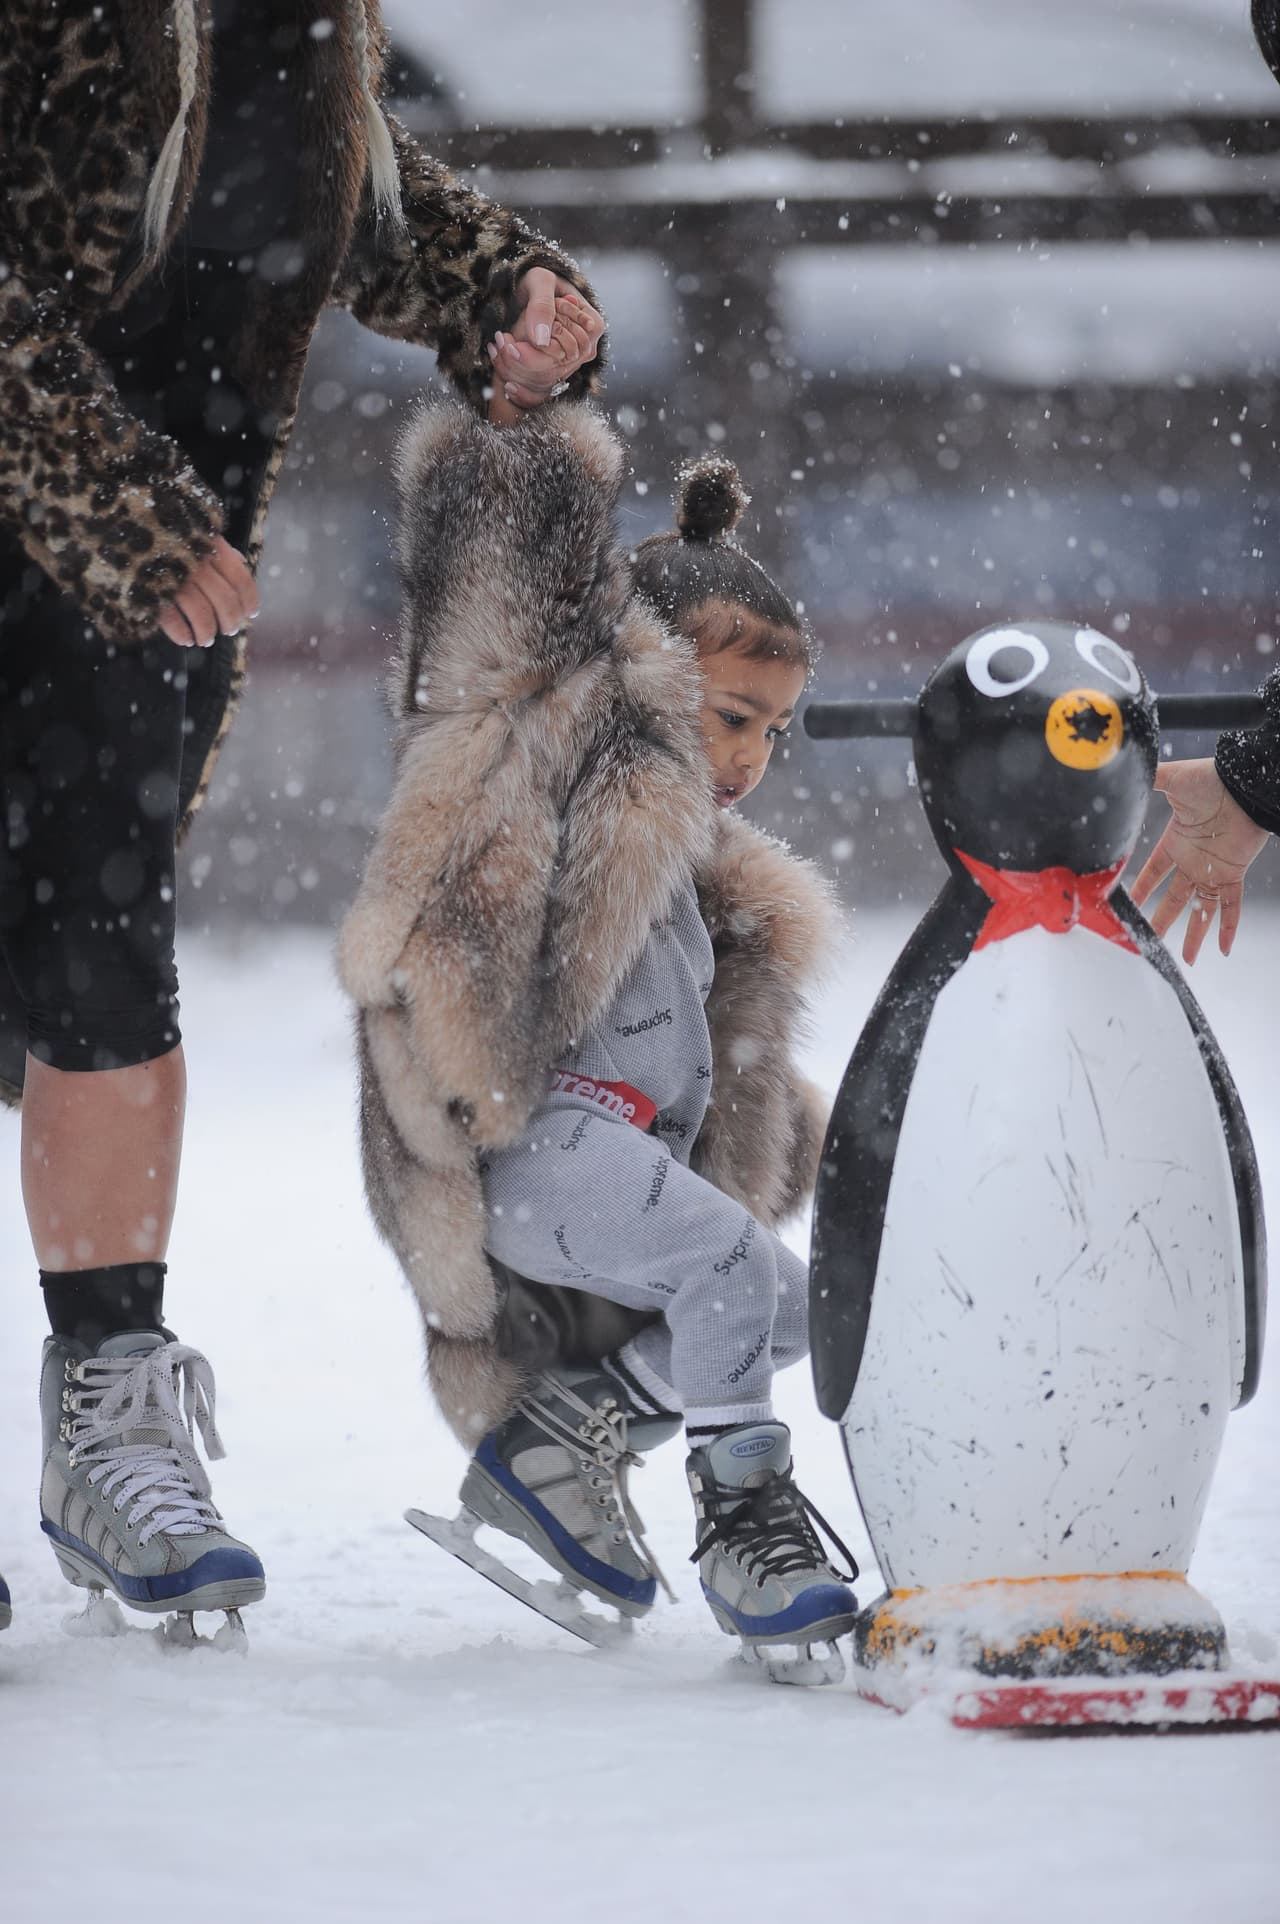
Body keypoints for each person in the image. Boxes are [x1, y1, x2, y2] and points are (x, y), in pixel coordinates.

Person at [0, 0, 604, 1641]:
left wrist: (490, 281)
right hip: (86, 490)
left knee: (99, 953)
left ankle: (109, 1406)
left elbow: (300, 159)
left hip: (152, 527)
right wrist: (94, 487)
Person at [340, 406, 857, 1673]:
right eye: (731, 713)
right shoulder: (557, 759)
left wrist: (804, 1129)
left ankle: (557, 1443)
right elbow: (503, 655)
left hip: (627, 1157)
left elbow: (700, 1028)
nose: (749, 755)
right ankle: (742, 1510)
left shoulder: (697, 863)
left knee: (795, 1310)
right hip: (529, 1145)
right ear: (645, 670)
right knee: (728, 1267)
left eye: (772, 731)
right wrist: (515, 426)